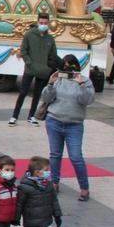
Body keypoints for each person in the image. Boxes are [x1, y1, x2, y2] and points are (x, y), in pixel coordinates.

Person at [41, 54, 95, 201]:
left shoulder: (85, 81)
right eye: (64, 65)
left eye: (70, 65)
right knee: (55, 154)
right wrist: (50, 84)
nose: (67, 68)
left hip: (74, 125)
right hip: (54, 121)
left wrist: (81, 85)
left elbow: (87, 100)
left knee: (76, 157)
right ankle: (54, 183)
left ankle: (84, 188)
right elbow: (46, 98)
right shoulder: (58, 79)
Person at [10, 13, 57, 125]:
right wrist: (28, 62)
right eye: (41, 23)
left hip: (43, 70)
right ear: (37, 22)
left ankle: (31, 116)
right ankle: (14, 116)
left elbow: (53, 55)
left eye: (45, 23)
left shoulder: (50, 39)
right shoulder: (29, 35)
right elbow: (24, 50)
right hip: (30, 69)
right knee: (23, 92)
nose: (43, 25)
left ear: (48, 23)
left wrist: (48, 67)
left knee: (37, 94)